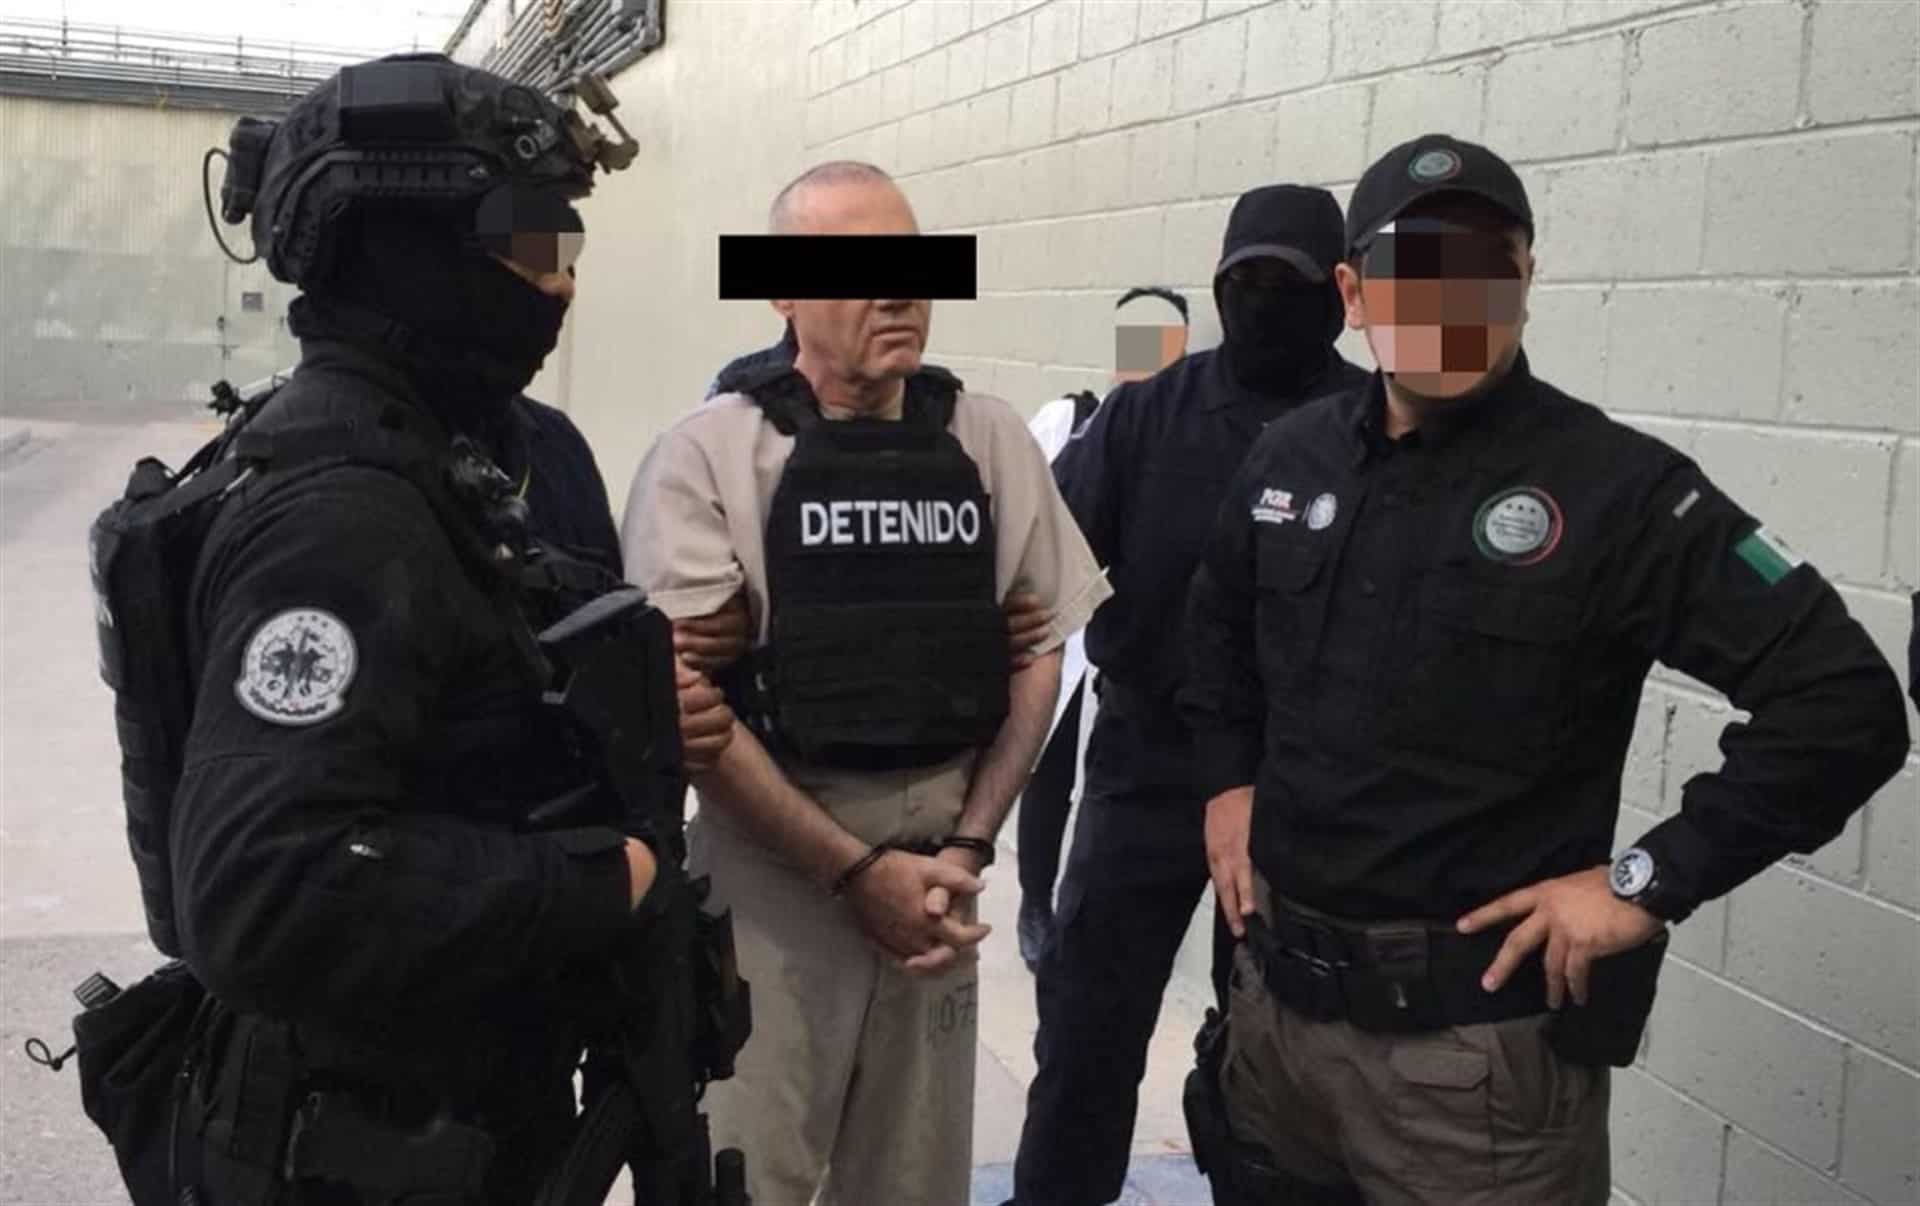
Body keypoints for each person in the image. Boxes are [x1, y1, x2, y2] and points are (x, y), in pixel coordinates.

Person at [1180, 133, 1911, 1204]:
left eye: (1485, 263)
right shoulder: (1290, 458)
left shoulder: (1617, 490)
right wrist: (1227, 782)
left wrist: (1648, 879)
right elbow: (1215, 630)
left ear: (1525, 280)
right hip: (1275, 1033)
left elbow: (1844, 701)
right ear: (1355, 292)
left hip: (1470, 1078)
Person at [143, 54, 735, 1203]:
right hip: (365, 1144)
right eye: (529, 245)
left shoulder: (494, 456)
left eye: (566, 249)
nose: (561, 288)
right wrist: (601, 879)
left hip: (475, 1106)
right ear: (407, 252)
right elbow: (265, 890)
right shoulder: (343, 513)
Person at [621, 159, 1110, 1206]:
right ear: (782, 295)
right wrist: (852, 873)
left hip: (939, 885)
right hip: (771, 889)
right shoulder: (708, 456)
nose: (899, 292)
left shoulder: (988, 439)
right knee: (744, 1182)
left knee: (913, 1189)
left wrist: (968, 845)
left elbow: (1039, 649)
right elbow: (690, 705)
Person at [1006, 185, 1368, 1206]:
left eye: (1288, 284)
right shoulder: (1147, 413)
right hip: (1148, 764)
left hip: (1299, 791)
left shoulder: (1372, 425)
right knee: (1087, 1027)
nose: (1262, 303)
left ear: (1339, 294)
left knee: (1274, 1059)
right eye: (1243, 281)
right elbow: (1045, 560)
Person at [1014, 287, 1192, 973]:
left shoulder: (1186, 434)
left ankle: (1083, 907)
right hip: (1068, 631)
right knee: (1049, 769)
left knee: (1107, 786)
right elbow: (1022, 504)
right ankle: (1035, 903)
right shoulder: (1071, 419)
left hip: (1134, 638)